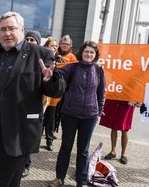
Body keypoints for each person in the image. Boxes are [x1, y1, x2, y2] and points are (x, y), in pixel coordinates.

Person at [0, 11, 65, 186]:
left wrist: (50, 80)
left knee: (9, 181)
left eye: (11, 28)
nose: (7, 33)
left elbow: (57, 91)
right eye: (3, 29)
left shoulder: (41, 54)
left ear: (22, 30)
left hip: (16, 130)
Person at [49, 41, 106, 187]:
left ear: (95, 55)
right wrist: (51, 69)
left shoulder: (99, 70)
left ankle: (81, 181)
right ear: (82, 53)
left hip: (90, 116)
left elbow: (101, 94)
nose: (89, 54)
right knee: (65, 147)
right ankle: (59, 178)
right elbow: (57, 73)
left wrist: (99, 112)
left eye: (92, 52)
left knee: (83, 150)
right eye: (87, 51)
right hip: (70, 114)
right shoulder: (71, 68)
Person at [21, 30, 43, 178]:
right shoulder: (18, 57)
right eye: (27, 39)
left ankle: (25, 165)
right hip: (16, 105)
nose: (29, 42)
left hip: (31, 106)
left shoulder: (42, 60)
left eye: (32, 40)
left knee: (27, 138)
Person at [100, 100, 138, 164]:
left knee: (124, 128)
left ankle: (123, 154)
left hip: (128, 101)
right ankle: (113, 151)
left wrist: (137, 100)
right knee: (113, 126)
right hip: (116, 98)